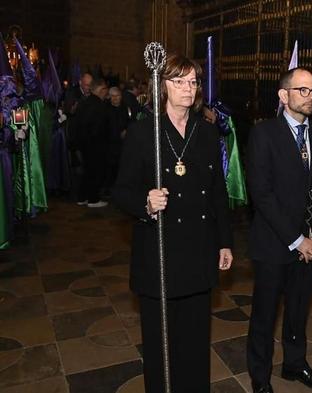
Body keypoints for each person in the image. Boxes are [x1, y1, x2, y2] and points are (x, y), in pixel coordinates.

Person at [113, 53, 233, 392]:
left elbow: (218, 193)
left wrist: (224, 241)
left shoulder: (206, 133)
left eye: (193, 82)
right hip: (160, 253)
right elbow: (120, 191)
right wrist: (145, 203)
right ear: (162, 86)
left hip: (198, 250)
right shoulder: (143, 132)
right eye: (179, 81)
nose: (188, 88)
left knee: (195, 342)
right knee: (160, 346)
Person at [246, 66, 312, 393]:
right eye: (303, 90)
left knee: (298, 312)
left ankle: (295, 365)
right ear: (284, 96)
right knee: (265, 316)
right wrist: (297, 240)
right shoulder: (263, 133)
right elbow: (262, 194)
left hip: (311, 246)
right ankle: (260, 378)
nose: (310, 97)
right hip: (274, 245)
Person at [73, 78, 110, 207]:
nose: (107, 92)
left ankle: (82, 197)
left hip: (84, 144)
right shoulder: (99, 105)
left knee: (86, 172)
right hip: (95, 145)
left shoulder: (84, 102)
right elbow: (99, 128)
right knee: (95, 172)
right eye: (105, 89)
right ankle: (93, 199)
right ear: (101, 89)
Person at [105, 86, 129, 188]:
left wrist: (126, 130)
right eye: (112, 96)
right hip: (109, 143)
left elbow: (129, 122)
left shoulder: (125, 108)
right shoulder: (105, 109)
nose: (115, 98)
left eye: (117, 96)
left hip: (122, 144)